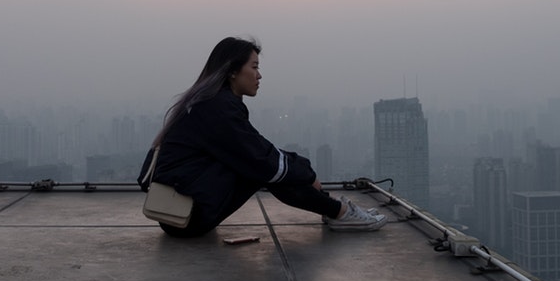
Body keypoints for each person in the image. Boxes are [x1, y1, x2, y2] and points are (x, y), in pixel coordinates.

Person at [137, 36, 386, 237]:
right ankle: (340, 212)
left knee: (262, 164)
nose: (259, 75)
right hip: (188, 215)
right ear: (233, 71)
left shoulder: (209, 102)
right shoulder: (217, 108)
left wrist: (301, 171)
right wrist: (307, 173)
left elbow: (257, 147)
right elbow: (262, 157)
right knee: (261, 168)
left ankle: (335, 210)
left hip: (179, 211)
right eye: (254, 67)